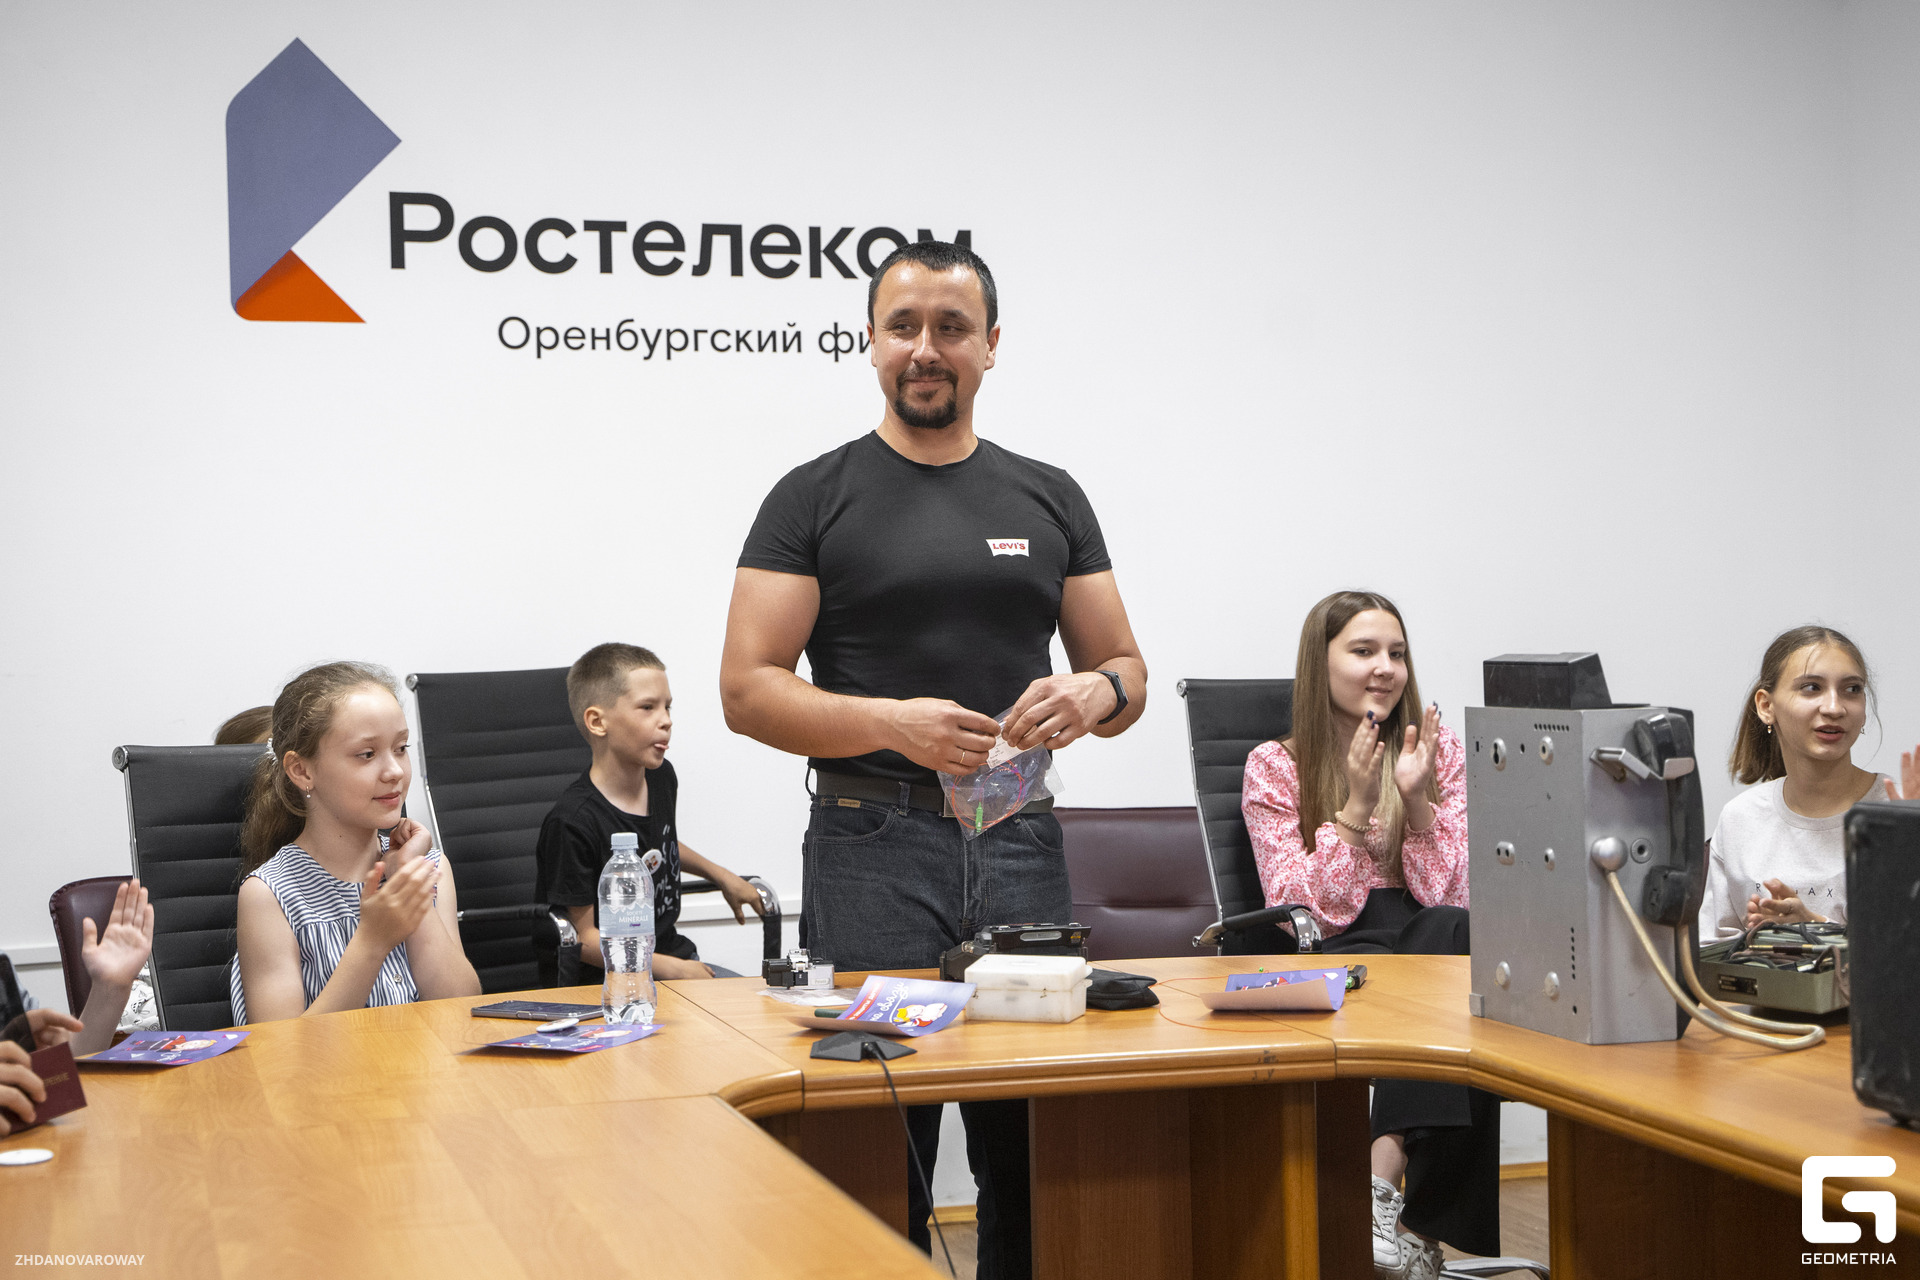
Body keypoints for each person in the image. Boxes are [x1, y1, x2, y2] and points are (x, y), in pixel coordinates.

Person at [720, 240, 1146, 1280]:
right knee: (880, 1142)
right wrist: (889, 723)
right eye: (903, 325)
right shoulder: (812, 497)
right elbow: (746, 689)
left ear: (990, 346)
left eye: (951, 327)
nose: (925, 348)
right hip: (872, 844)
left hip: (1019, 835)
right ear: (870, 342)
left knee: (1031, 1142)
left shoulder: (1048, 495)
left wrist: (1094, 693)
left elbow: (1127, 672)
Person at [1241, 590, 1491, 1280]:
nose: (1386, 667)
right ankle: (1414, 1227)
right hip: (1343, 948)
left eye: (1397, 653)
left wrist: (1416, 801)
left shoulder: (1438, 753)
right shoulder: (1274, 765)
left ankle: (1384, 1192)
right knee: (1452, 985)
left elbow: (1455, 895)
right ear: (1319, 664)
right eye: (1363, 650)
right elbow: (1303, 911)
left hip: (1437, 936)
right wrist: (1354, 805)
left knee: (1449, 931)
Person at [230, 662, 480, 1023]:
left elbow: (462, 1009)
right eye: (367, 754)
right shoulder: (269, 894)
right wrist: (372, 942)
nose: (394, 771)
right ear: (302, 770)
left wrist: (408, 880)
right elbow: (281, 1048)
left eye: (401, 748)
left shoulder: (430, 867)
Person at [534, 643, 763, 982]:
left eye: (667, 707)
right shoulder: (572, 822)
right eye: (647, 707)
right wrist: (674, 969)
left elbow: (660, 844)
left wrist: (722, 876)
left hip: (670, 958)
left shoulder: (660, 777)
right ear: (597, 722)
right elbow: (583, 940)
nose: (666, 720)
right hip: (609, 983)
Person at [1698, 625, 1906, 939]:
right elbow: (1711, 953)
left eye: (1852, 689)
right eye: (1811, 688)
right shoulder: (1740, 819)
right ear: (1766, 706)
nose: (1834, 708)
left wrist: (1814, 930)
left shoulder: (1902, 810)